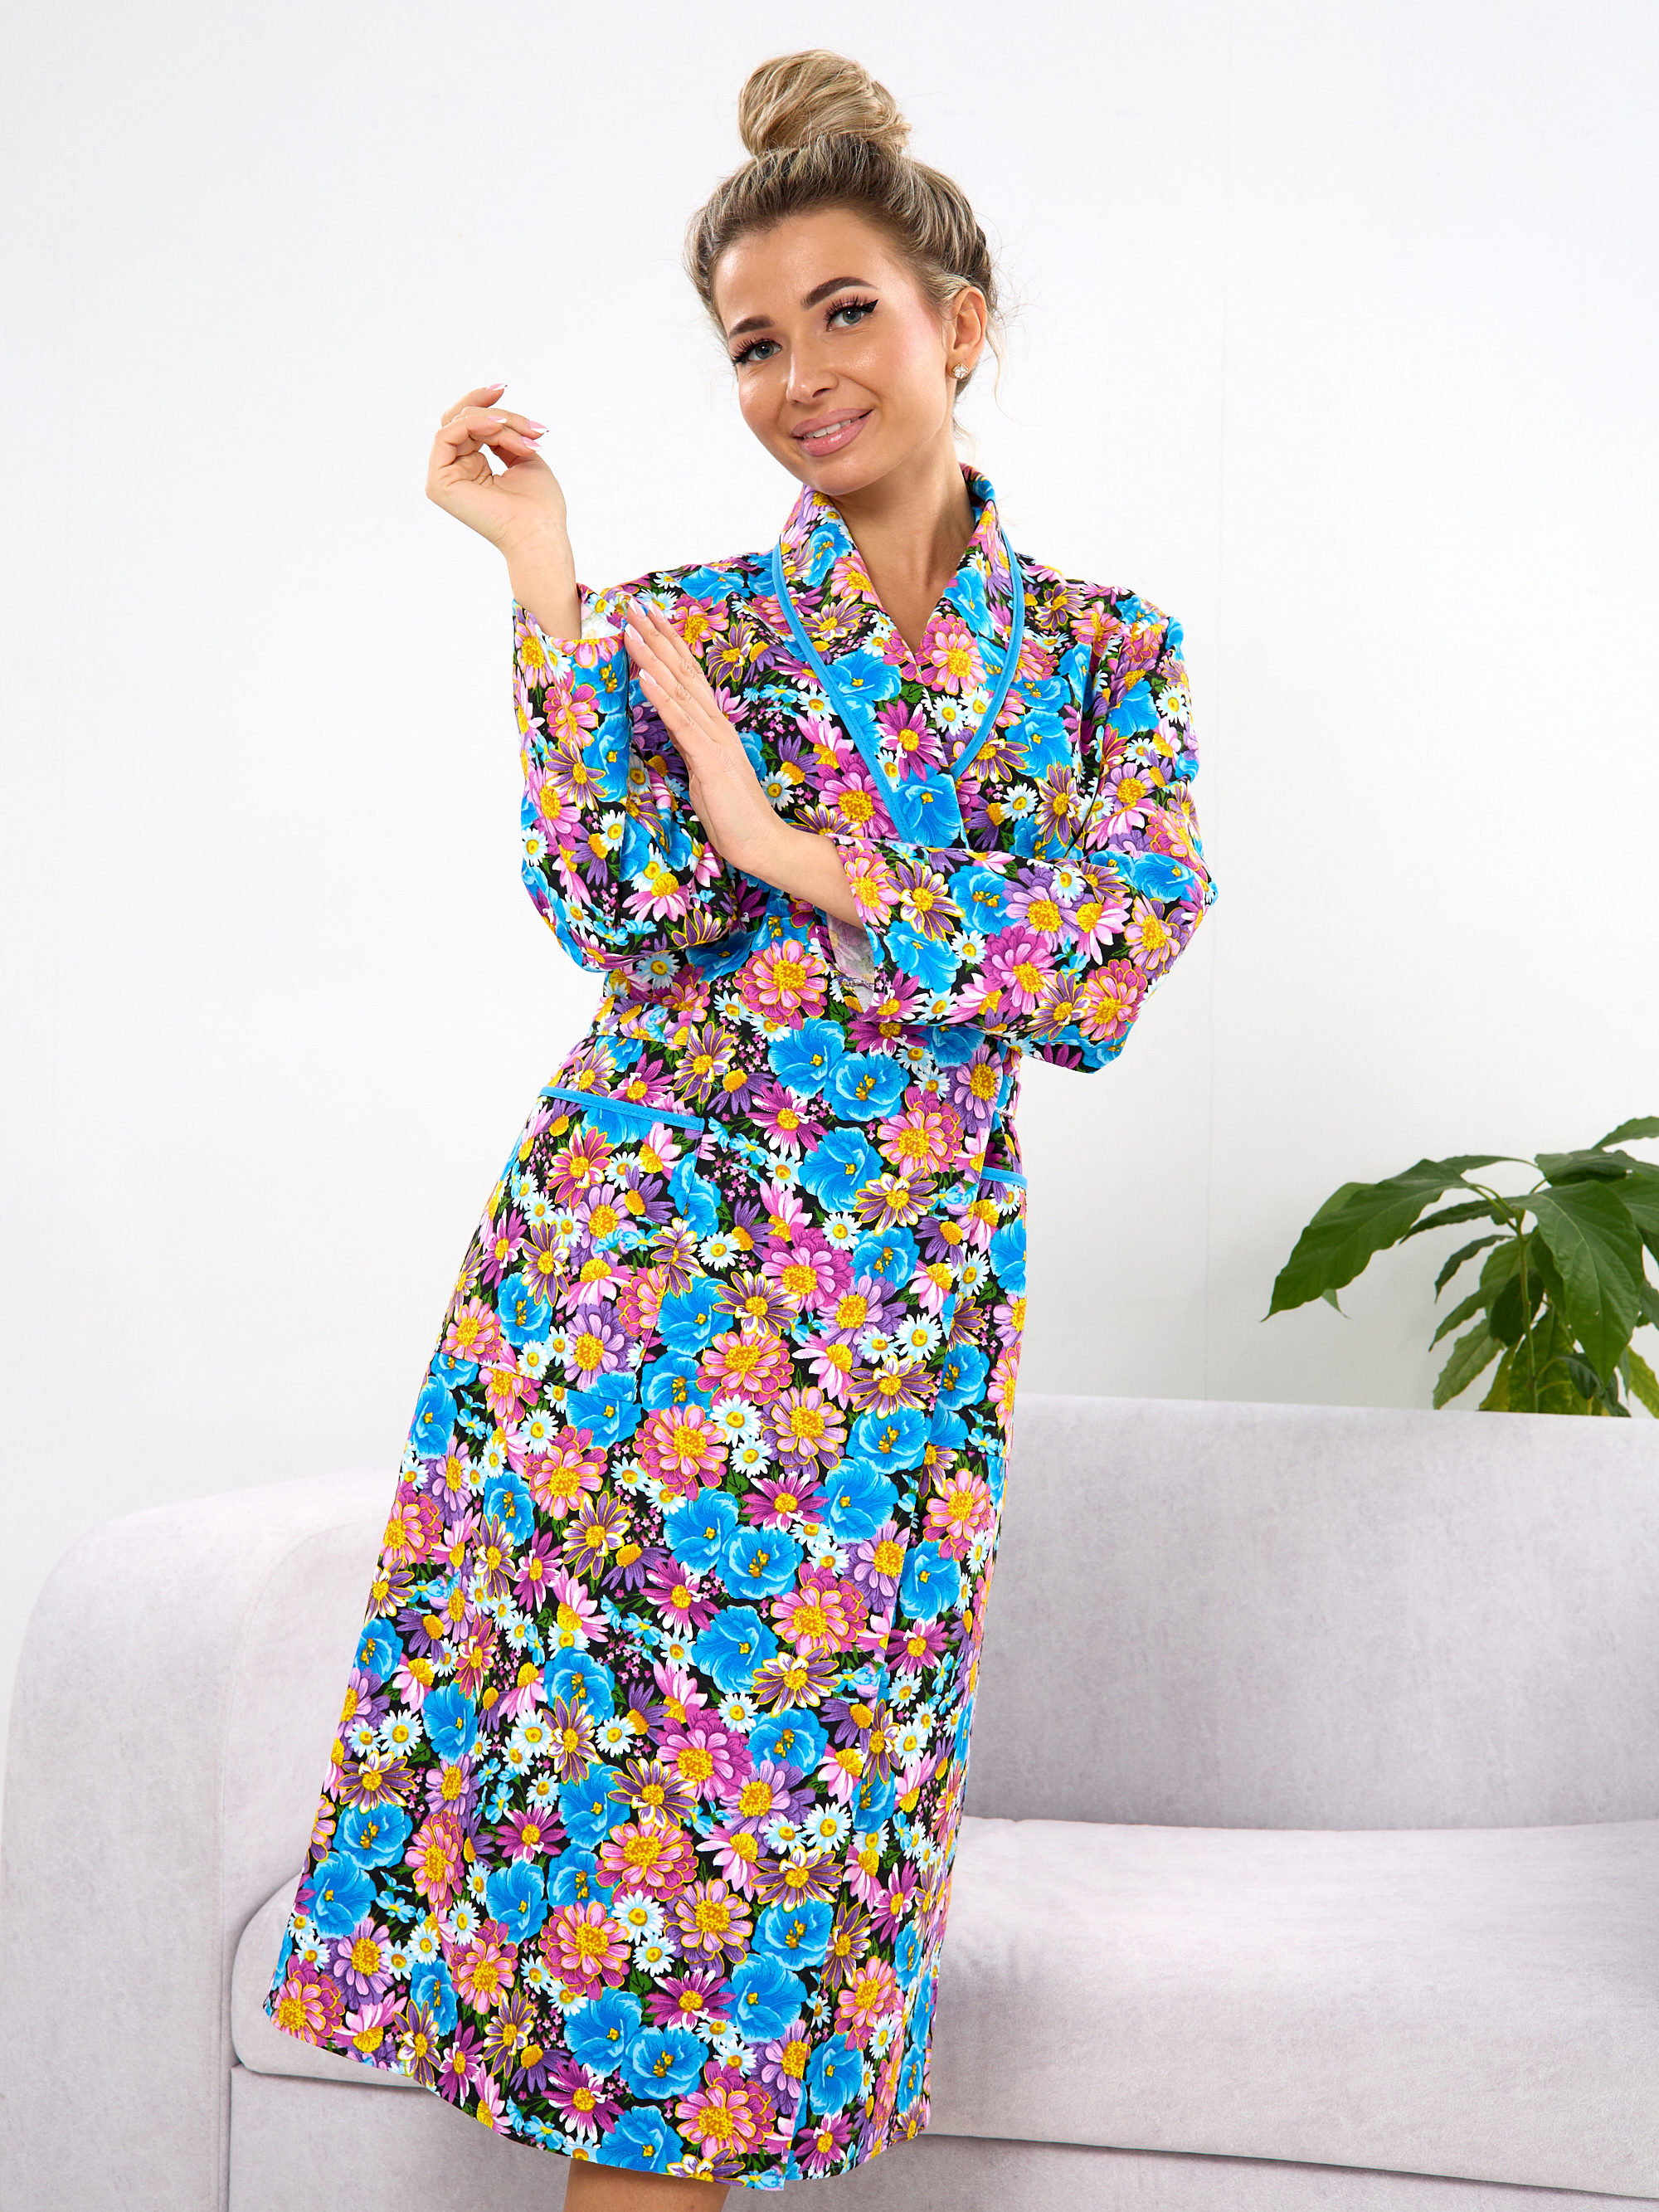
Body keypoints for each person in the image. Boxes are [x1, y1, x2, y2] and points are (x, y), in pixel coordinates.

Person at [265, 46, 1214, 2209]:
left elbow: (1102, 962)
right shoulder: (683, 627)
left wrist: (796, 851)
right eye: (754, 344)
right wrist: (544, 581)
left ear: (959, 322)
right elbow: (618, 908)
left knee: (776, 1913)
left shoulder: (1107, 657)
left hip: (893, 1336)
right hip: (638, 1305)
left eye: (844, 314)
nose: (800, 378)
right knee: (646, 1934)